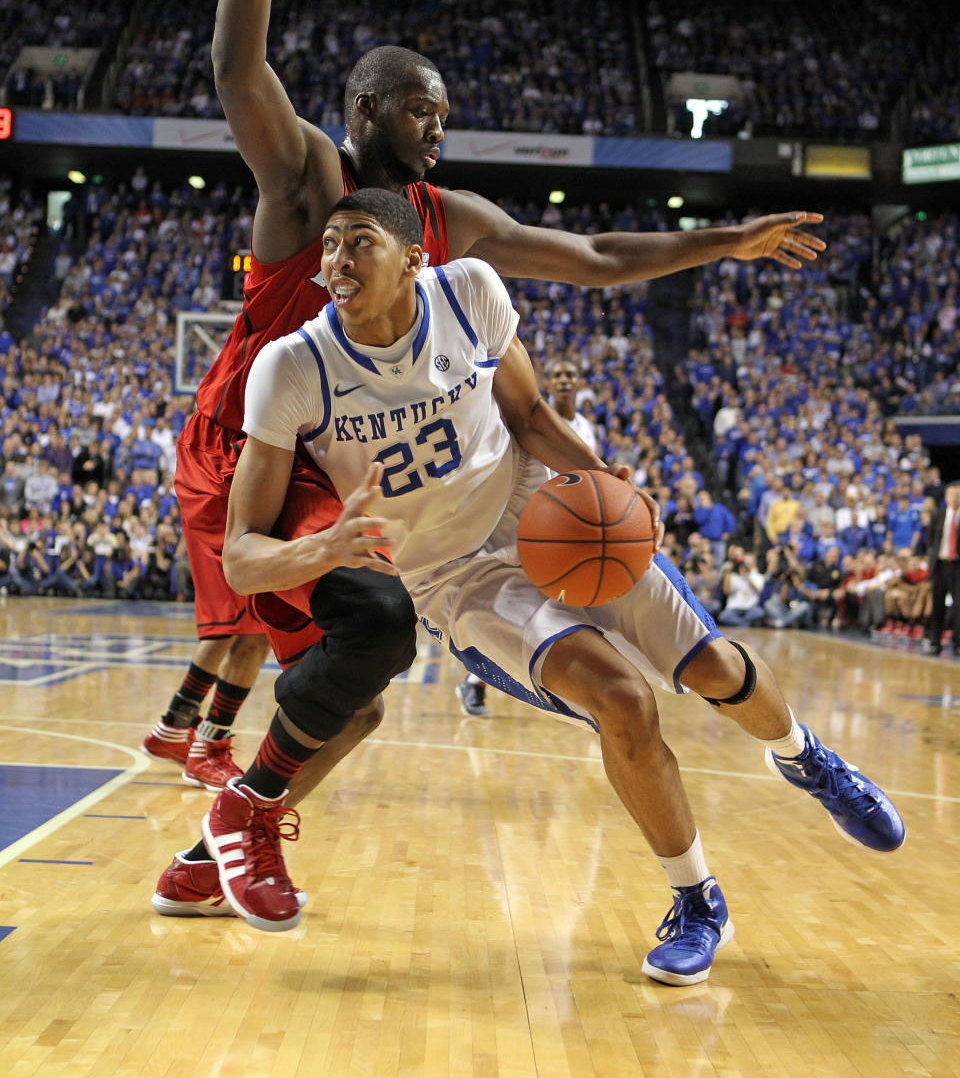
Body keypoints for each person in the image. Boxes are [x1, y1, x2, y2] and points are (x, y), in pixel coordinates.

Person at [141, 0, 830, 791]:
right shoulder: (307, 182)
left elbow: (593, 260)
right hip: (251, 435)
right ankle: (224, 779)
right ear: (369, 106)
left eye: (446, 114)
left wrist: (724, 239)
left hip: (342, 458)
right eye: (424, 109)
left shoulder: (447, 220)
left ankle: (236, 810)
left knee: (359, 690)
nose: (439, 127)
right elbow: (239, 71)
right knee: (344, 664)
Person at [154, 192, 904, 990]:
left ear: (415, 260)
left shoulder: (470, 291)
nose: (335, 260)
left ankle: (806, 758)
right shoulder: (292, 367)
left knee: (715, 668)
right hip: (456, 578)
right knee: (624, 700)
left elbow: (531, 413)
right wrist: (323, 547)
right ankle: (698, 900)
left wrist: (599, 474)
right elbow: (239, 558)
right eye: (330, 244)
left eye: (358, 242)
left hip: (545, 513)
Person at [926, 481, 960, 656]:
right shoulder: (938, 516)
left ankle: (957, 643)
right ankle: (934, 643)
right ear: (946, 497)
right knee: (937, 606)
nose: (955, 498)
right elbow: (931, 541)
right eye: (952, 494)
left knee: (958, 607)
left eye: (958, 495)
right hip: (940, 565)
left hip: (957, 567)